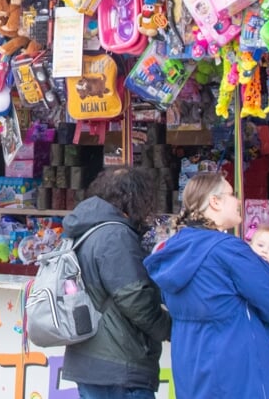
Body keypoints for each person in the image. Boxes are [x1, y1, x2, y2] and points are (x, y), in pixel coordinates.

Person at [146, 173, 269, 399]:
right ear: (215, 202)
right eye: (231, 195)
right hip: (238, 375)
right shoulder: (229, 249)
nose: (238, 201)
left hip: (191, 370)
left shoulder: (172, 250)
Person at [59, 167, 172, 399]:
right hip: (119, 362)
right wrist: (170, 328)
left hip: (90, 358)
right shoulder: (115, 235)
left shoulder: (86, 229)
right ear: (133, 198)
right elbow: (134, 298)